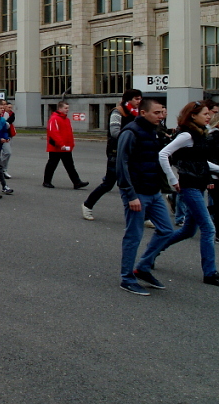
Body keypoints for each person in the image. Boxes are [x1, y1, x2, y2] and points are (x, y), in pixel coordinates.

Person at [149, 101, 219, 287]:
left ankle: (150, 254)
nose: (209, 116)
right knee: (209, 228)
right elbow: (163, 154)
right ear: (193, 116)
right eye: (205, 113)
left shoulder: (201, 134)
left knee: (188, 230)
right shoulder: (187, 134)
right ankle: (210, 273)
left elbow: (201, 162)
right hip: (190, 187)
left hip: (199, 184)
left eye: (209, 113)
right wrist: (173, 180)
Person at [116, 98, 175, 295]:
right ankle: (127, 278)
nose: (161, 116)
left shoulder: (154, 131)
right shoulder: (131, 132)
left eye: (162, 112)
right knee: (134, 236)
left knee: (167, 230)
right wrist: (130, 194)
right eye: (157, 113)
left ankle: (142, 267)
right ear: (143, 113)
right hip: (137, 193)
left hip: (154, 191)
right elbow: (122, 164)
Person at [82, 89, 142, 220]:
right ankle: (87, 205)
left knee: (136, 183)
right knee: (109, 183)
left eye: (140, 98)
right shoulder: (118, 112)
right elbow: (114, 131)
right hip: (116, 152)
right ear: (128, 100)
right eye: (136, 99)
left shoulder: (138, 114)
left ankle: (145, 216)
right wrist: (132, 136)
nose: (139, 101)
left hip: (132, 153)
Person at [42, 101, 89, 189]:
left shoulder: (66, 119)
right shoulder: (54, 118)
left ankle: (77, 182)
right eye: (65, 108)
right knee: (52, 164)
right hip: (56, 147)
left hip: (65, 147)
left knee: (70, 165)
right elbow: (54, 133)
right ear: (60, 108)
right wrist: (61, 144)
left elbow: (69, 133)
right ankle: (46, 181)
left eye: (68, 108)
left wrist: (71, 144)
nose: (67, 110)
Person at [0, 101, 15, 177]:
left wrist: (6, 136)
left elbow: (5, 127)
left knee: (7, 152)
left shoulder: (6, 114)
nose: (4, 107)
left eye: (5, 105)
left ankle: (3, 169)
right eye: (2, 105)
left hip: (5, 137)